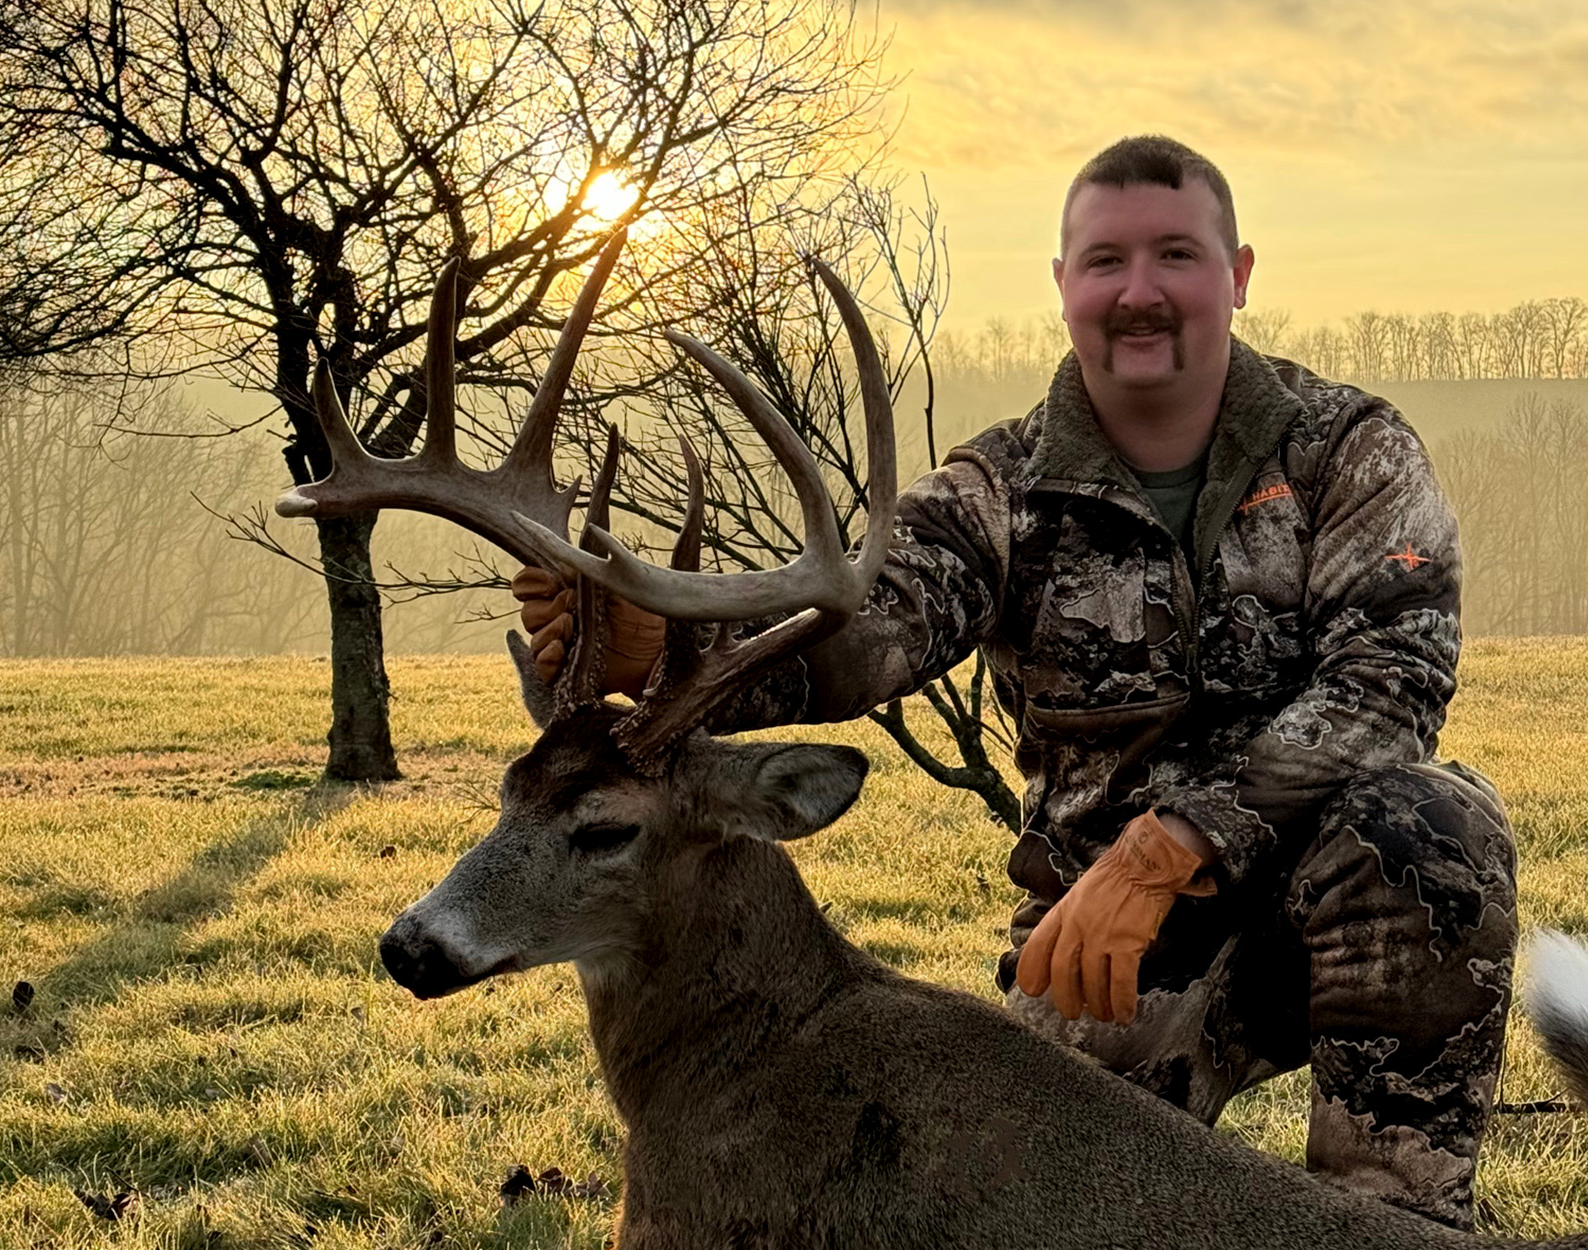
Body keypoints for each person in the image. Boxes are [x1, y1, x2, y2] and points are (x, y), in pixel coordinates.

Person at [513, 136, 1517, 1232]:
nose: (1138, 291)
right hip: (1108, 953)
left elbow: (1391, 681)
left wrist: (1173, 839)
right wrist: (660, 650)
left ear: (1235, 274)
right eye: (1104, 262)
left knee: (1428, 827)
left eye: (1175, 254)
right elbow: (868, 629)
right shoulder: (997, 488)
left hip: (1323, 895)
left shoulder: (1347, 451)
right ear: (1062, 287)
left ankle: (1393, 1220)